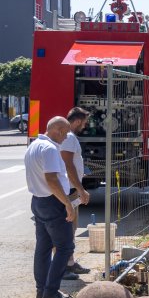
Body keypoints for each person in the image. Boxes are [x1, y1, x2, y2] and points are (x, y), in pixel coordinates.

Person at [25, 116, 76, 298]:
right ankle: (51, 292)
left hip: (38, 201)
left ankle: (41, 291)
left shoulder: (34, 146)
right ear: (59, 130)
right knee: (65, 248)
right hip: (52, 202)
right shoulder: (50, 149)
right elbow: (52, 180)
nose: (66, 138)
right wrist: (67, 203)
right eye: (66, 133)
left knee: (43, 248)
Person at [60, 107, 91, 279]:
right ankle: (64, 266)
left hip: (69, 189)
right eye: (84, 123)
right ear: (77, 121)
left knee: (70, 228)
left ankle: (70, 263)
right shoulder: (69, 137)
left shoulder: (67, 136)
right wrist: (80, 188)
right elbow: (67, 164)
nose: (84, 126)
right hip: (70, 191)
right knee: (67, 229)